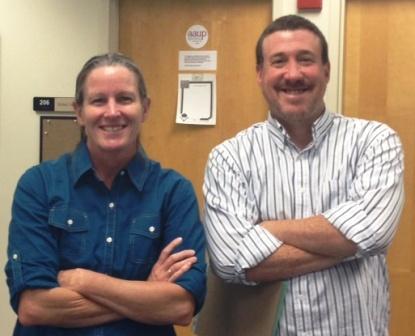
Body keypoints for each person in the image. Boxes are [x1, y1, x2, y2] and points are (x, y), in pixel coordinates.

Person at [203, 14, 404, 335]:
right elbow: (229, 260)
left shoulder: (375, 141)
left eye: (306, 60)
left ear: (326, 70)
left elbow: (374, 232)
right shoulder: (229, 158)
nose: (293, 74)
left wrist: (267, 229)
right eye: (279, 61)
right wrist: (346, 246)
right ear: (260, 73)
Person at [5, 53, 206, 335]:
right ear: (79, 112)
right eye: (98, 100)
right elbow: (34, 306)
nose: (112, 112)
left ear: (145, 108)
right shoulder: (38, 185)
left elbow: (180, 306)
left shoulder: (174, 192)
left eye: (124, 99)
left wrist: (84, 281)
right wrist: (147, 293)